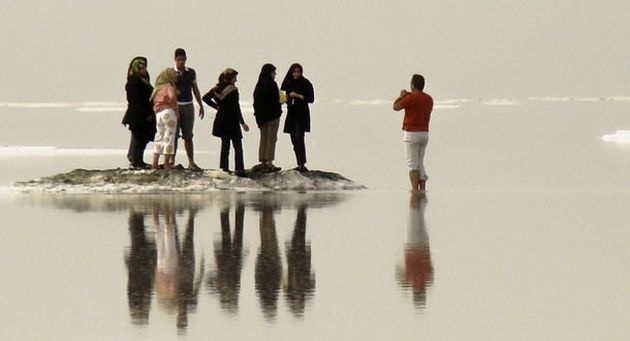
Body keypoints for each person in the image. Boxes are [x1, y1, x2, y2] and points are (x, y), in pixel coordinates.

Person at [202, 68, 250, 177]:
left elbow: (205, 98)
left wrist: (217, 107)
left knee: (225, 145)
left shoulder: (216, 89)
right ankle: (239, 169)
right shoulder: (233, 90)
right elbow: (236, 107)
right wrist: (242, 122)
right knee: (237, 146)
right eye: (235, 77)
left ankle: (224, 169)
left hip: (221, 119)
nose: (236, 80)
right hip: (232, 120)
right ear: (230, 78)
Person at [393, 74, 433, 191]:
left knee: (412, 164)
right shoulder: (429, 99)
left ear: (413, 85)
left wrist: (401, 96)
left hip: (411, 133)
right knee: (420, 162)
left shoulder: (410, 99)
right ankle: (422, 188)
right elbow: (418, 100)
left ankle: (415, 189)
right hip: (424, 133)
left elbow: (396, 107)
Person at [173, 48, 204, 170]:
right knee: (174, 135)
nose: (181, 62)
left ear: (185, 59)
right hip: (175, 105)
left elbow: (195, 88)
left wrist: (200, 104)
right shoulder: (171, 73)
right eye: (179, 59)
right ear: (175, 60)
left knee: (188, 135)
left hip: (188, 105)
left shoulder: (191, 72)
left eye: (183, 59)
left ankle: (191, 161)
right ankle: (171, 161)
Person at [122, 56, 155, 169]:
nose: (145, 69)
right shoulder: (134, 81)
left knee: (143, 138)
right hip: (138, 115)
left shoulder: (144, 79)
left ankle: (139, 160)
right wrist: (146, 113)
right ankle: (136, 160)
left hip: (145, 113)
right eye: (143, 67)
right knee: (138, 138)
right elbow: (135, 100)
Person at [281, 63, 315, 172]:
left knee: (299, 138)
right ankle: (298, 162)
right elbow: (285, 93)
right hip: (291, 113)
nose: (296, 74)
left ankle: (302, 163)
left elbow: (311, 99)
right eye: (294, 72)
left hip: (302, 114)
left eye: (298, 72)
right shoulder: (289, 83)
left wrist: (298, 96)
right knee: (293, 140)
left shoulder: (305, 83)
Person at [253, 64, 282, 173]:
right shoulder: (272, 84)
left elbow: (256, 101)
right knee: (271, 139)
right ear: (270, 73)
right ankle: (269, 162)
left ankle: (263, 161)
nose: (275, 75)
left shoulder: (259, 85)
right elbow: (277, 99)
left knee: (263, 139)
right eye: (274, 72)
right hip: (273, 116)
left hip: (261, 117)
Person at [151, 68, 180, 171]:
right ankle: (167, 163)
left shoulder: (158, 88)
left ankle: (154, 163)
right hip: (168, 111)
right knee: (169, 137)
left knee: (159, 137)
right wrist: (176, 109)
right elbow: (172, 97)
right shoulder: (169, 87)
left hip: (159, 113)